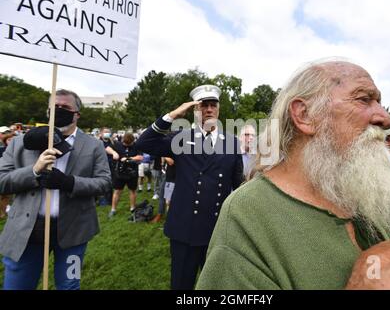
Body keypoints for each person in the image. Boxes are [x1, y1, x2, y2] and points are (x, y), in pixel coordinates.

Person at [196, 59, 390, 290]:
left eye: (379, 102)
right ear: (305, 115)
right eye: (364, 99)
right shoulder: (247, 214)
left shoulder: (357, 193)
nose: (385, 117)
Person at [0, 89, 111, 290]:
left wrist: (69, 183)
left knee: (70, 284)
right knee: (16, 285)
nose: (59, 110)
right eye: (55, 107)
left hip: (75, 232)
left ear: (77, 113)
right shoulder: (19, 143)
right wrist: (33, 171)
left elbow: (104, 183)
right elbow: (2, 181)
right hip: (27, 231)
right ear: (48, 112)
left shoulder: (94, 145)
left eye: (66, 107)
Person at [136, 84, 243, 290]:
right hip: (184, 228)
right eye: (203, 105)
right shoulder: (182, 138)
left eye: (213, 105)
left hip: (216, 230)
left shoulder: (231, 142)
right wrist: (173, 115)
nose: (209, 109)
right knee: (181, 285)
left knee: (214, 286)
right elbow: (144, 143)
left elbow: (237, 185)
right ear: (195, 110)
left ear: (219, 109)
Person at [107, 132, 143, 217]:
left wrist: (128, 158)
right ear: (122, 140)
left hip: (132, 172)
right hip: (120, 172)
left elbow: (140, 157)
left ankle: (132, 208)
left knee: (132, 190)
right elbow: (107, 148)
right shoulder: (118, 144)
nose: (126, 145)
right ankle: (113, 209)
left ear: (132, 141)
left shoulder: (136, 145)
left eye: (128, 144)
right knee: (117, 191)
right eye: (124, 143)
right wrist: (114, 153)